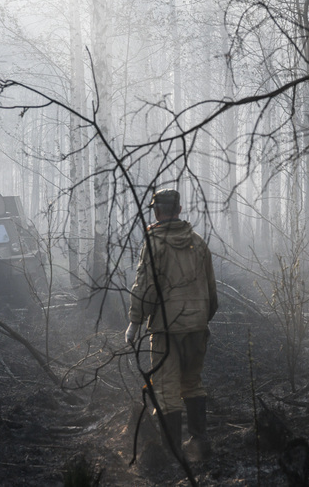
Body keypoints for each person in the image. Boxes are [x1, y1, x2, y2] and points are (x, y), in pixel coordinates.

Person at [125, 189, 218, 462]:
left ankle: (173, 453)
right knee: (192, 382)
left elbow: (145, 288)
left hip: (166, 329)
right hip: (197, 326)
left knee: (166, 389)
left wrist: (134, 323)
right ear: (178, 210)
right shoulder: (198, 243)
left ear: (157, 212)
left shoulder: (155, 244)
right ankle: (200, 442)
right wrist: (200, 318)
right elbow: (212, 291)